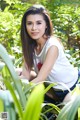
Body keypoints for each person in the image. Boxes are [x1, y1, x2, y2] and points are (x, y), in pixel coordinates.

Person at [20, 4, 78, 103]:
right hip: (52, 90)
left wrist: (19, 92)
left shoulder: (52, 46)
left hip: (71, 87)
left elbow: (40, 78)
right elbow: (25, 75)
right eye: (29, 23)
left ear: (46, 25)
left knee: (65, 112)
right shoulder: (29, 46)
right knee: (17, 73)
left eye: (39, 23)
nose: (34, 28)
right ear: (25, 26)